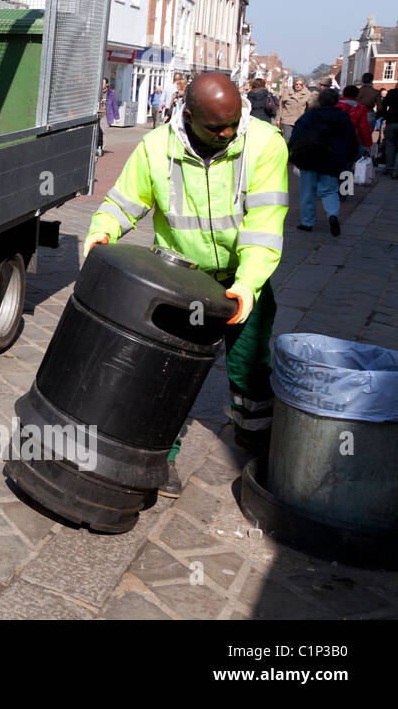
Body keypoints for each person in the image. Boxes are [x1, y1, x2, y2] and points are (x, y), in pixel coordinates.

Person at [84, 72, 288, 493]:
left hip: (239, 279)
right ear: (189, 116)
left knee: (250, 364)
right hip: (182, 282)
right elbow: (126, 201)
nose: (228, 132)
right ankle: (161, 456)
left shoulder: (265, 144)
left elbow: (264, 227)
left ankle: (254, 434)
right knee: (168, 371)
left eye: (234, 121)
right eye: (216, 127)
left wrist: (247, 285)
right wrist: (102, 233)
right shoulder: (157, 148)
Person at [289, 88, 358, 236]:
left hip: (309, 157)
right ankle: (332, 214)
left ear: (320, 100)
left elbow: (297, 133)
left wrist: (290, 150)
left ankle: (307, 222)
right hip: (332, 159)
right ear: (336, 101)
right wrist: (350, 156)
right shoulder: (343, 118)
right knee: (329, 191)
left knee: (307, 191)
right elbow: (351, 139)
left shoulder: (310, 115)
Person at [338, 85, 373, 156]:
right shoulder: (360, 108)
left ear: (343, 93)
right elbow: (364, 127)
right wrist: (368, 144)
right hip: (353, 139)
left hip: (336, 138)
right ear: (357, 95)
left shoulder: (335, 105)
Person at [276, 77, 311, 143]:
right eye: (296, 84)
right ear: (294, 84)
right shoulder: (287, 93)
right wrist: (279, 119)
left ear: (303, 85)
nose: (298, 86)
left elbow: (310, 108)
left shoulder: (308, 94)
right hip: (287, 120)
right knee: (287, 139)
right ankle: (287, 152)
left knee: (299, 140)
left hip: (301, 121)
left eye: (300, 84)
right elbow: (281, 106)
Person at [378, 86, 398, 177]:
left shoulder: (392, 92)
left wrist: (385, 115)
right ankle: (396, 170)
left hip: (392, 121)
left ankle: (389, 167)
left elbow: (384, 104)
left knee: (390, 145)